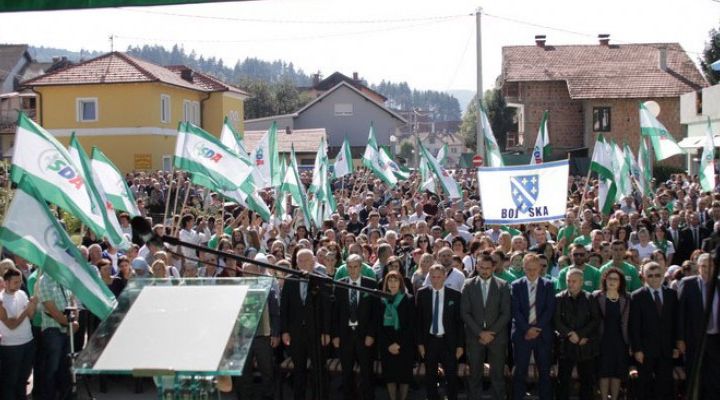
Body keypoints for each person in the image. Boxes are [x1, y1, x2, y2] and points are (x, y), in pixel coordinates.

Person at [280, 249, 331, 400]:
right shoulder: (290, 280)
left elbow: (327, 309)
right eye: (300, 261)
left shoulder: (321, 280)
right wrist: (285, 331)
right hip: (296, 333)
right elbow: (284, 308)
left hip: (316, 332)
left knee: (318, 370)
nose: (303, 263)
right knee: (299, 370)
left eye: (306, 260)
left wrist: (326, 332)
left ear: (313, 261)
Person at [460, 254, 511, 400]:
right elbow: (465, 312)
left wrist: (491, 333)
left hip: (497, 337)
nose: (484, 271)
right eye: (482, 267)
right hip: (475, 337)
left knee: (498, 376)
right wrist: (480, 333)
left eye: (488, 268)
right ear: (477, 267)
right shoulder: (468, 285)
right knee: (474, 375)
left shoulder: (503, 285)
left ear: (493, 268)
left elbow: (506, 313)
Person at [629, 261, 679, 400]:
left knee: (665, 385)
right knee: (644, 385)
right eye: (650, 275)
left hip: (666, 348)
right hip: (645, 350)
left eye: (657, 275)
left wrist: (675, 345)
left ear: (662, 275)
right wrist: (637, 349)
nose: (654, 278)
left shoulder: (671, 294)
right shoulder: (637, 296)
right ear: (644, 277)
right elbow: (634, 325)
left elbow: (676, 322)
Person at [332, 254, 379, 400]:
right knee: (346, 372)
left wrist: (371, 334)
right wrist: (336, 335)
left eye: (356, 267)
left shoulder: (370, 284)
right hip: (345, 335)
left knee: (367, 372)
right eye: (350, 267)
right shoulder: (340, 284)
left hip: (364, 335)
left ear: (361, 267)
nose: (353, 270)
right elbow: (335, 313)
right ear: (346, 267)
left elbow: (376, 313)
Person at [511, 253, 555, 400]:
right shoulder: (516, 285)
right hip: (522, 334)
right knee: (520, 371)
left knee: (544, 372)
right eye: (528, 269)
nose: (531, 272)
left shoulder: (548, 285)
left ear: (540, 268)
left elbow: (549, 310)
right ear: (524, 268)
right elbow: (515, 310)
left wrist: (537, 329)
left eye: (534, 269)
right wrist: (527, 329)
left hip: (542, 335)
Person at [416, 264, 464, 400]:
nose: (436, 280)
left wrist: (460, 345)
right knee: (430, 376)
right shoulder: (422, 293)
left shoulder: (455, 295)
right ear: (429, 277)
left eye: (439, 277)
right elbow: (418, 321)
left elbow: (459, 323)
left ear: (444, 277)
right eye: (433, 277)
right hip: (430, 341)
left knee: (451, 376)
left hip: (448, 342)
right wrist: (420, 344)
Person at [676, 252, 720, 398]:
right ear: (698, 267)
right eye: (704, 266)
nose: (707, 269)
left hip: (715, 338)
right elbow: (680, 313)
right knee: (694, 376)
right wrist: (680, 339)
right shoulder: (688, 284)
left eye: (711, 266)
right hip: (695, 339)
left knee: (714, 377)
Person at [554, 268, 600, 400]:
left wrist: (581, 335)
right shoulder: (559, 298)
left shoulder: (589, 298)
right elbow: (556, 320)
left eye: (574, 281)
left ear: (581, 282)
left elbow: (595, 319)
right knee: (563, 381)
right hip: (566, 345)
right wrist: (569, 334)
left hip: (585, 345)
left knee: (587, 381)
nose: (570, 284)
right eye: (568, 281)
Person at [38, 273, 79, 400]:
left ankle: (65, 395)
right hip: (53, 329)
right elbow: (51, 309)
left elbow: (73, 301)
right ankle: (48, 396)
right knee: (52, 367)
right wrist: (69, 324)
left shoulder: (64, 278)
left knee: (65, 366)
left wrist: (75, 321)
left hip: (67, 327)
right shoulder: (43, 282)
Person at [0, 268, 38, 400]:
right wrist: (26, 310)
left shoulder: (22, 294)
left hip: (28, 341)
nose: (19, 284)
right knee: (10, 381)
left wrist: (33, 306)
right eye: (15, 282)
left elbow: (31, 316)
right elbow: (11, 325)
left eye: (20, 281)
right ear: (6, 282)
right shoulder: (1, 300)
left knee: (23, 379)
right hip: (10, 346)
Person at [593, 267, 630, 400]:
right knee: (604, 373)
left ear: (620, 282)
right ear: (605, 280)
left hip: (620, 341)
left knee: (616, 373)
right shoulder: (596, 296)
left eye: (616, 279)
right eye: (610, 278)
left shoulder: (627, 297)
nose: (612, 281)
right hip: (602, 340)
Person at [377, 270, 415, 400]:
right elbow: (378, 325)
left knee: (404, 376)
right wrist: (388, 344)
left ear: (401, 283)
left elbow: (411, 326)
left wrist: (399, 344)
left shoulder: (408, 299)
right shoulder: (381, 300)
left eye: (396, 280)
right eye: (390, 280)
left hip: (404, 345)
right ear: (386, 283)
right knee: (390, 376)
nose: (393, 283)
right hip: (387, 345)